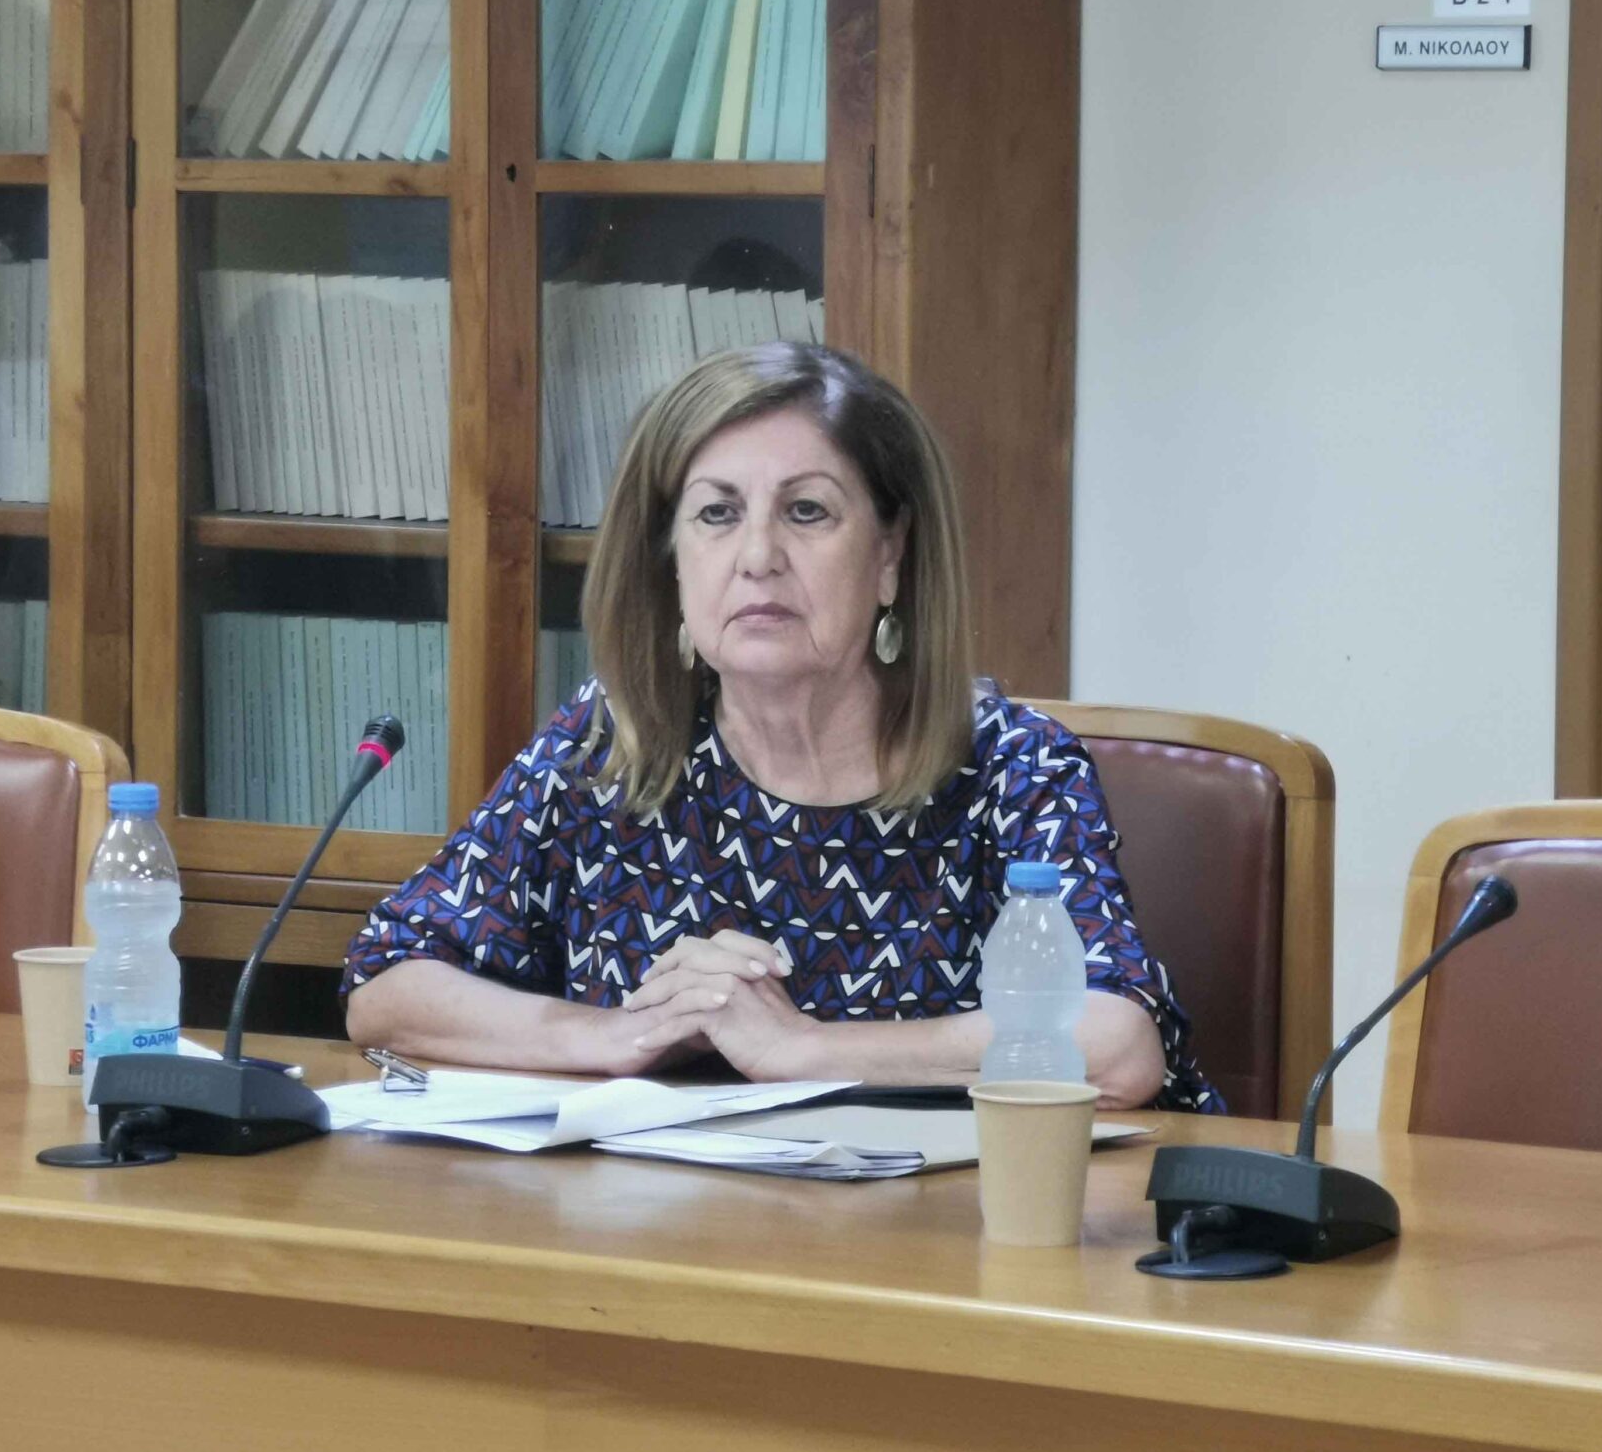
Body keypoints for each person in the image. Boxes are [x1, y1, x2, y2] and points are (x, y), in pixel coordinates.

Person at [343, 343, 1217, 1111]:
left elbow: (1116, 1046)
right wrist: (611, 1034)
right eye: (717, 514)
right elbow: (387, 982)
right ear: (671, 558)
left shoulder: (1009, 767)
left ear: (890, 554)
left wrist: (801, 1051)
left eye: (807, 512)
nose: (757, 556)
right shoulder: (610, 746)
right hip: (674, 1230)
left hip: (947, 1230)